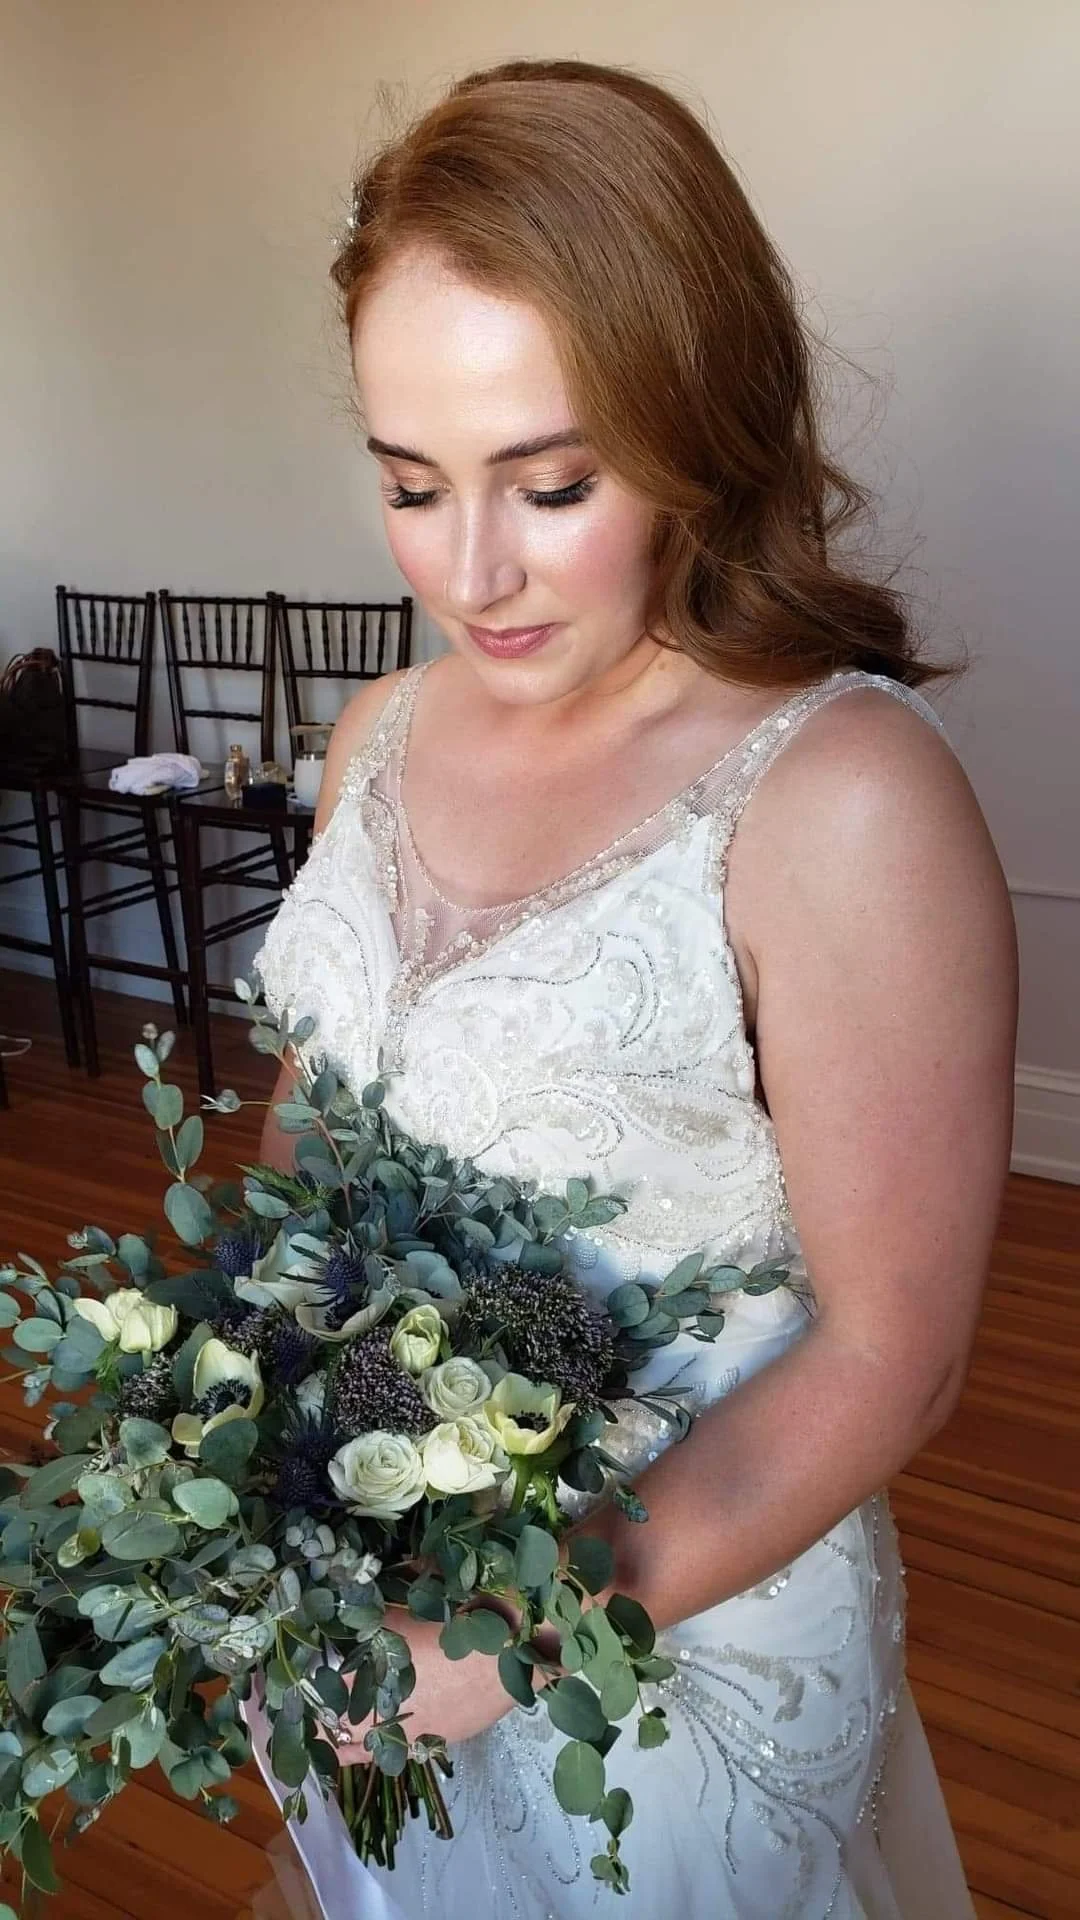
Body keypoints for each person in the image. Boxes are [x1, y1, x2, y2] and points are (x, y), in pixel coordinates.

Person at [243, 56, 1017, 1920]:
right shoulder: (373, 739)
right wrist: (244, 1471)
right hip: (366, 1614)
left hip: (662, 1697)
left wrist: (514, 1625)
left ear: (694, 424)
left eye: (553, 481)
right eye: (412, 484)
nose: (472, 571)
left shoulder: (837, 797)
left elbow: (890, 1356)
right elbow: (303, 1164)